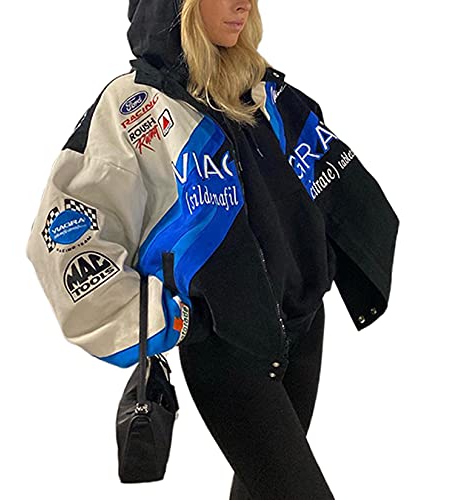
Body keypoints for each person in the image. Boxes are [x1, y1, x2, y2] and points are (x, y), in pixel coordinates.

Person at [25, 0, 399, 498]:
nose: (243, 4)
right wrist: (166, 319)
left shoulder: (259, 86)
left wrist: (330, 257)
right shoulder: (134, 108)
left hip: (304, 326)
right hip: (229, 348)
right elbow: (64, 238)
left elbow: (318, 180)